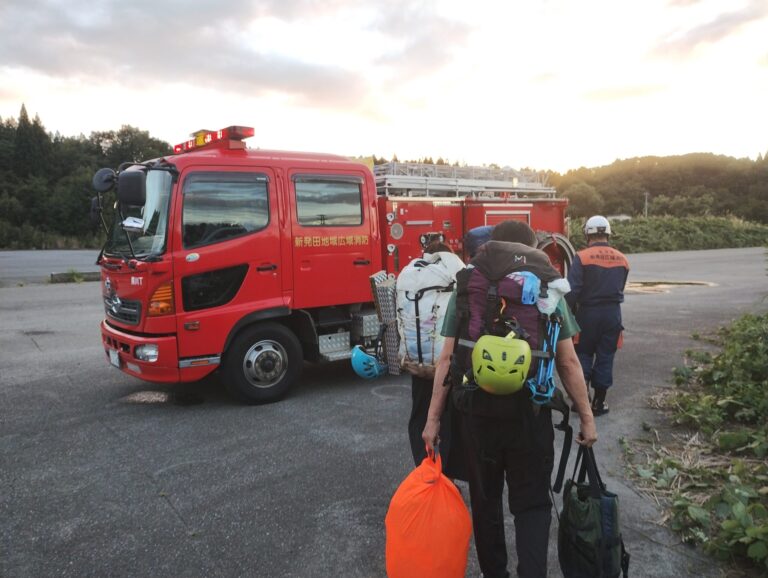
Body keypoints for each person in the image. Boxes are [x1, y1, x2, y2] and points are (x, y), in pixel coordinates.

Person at [422, 220, 597, 578]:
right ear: (531, 247)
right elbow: (567, 360)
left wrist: (432, 421)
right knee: (532, 505)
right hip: (529, 415)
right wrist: (587, 417)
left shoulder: (469, 283)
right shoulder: (547, 284)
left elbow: (447, 359)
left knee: (486, 506)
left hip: (476, 415)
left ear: (493, 245)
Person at [400, 240, 467, 480]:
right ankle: (445, 475)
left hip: (418, 365)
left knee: (419, 416)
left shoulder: (411, 275)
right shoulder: (456, 275)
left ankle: (423, 470)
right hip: (447, 367)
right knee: (446, 419)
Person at [566, 215, 629, 416]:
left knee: (583, 353)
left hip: (587, 313)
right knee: (606, 355)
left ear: (587, 234)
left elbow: (572, 290)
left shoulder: (582, 257)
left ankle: (580, 400)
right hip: (612, 314)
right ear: (608, 234)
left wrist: (565, 314)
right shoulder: (622, 259)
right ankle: (600, 403)